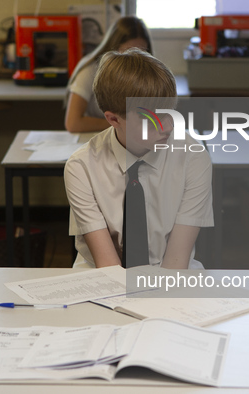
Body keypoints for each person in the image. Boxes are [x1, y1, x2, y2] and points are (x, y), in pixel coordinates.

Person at [64, 48, 213, 269]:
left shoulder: (193, 158)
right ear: (114, 119)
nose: (170, 126)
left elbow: (176, 262)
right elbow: (108, 266)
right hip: (101, 277)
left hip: (171, 274)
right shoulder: (81, 168)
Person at [64, 16, 153, 133]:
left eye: (141, 54)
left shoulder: (148, 74)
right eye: (128, 53)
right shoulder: (90, 71)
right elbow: (73, 123)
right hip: (94, 138)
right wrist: (121, 124)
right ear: (113, 50)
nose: (135, 61)